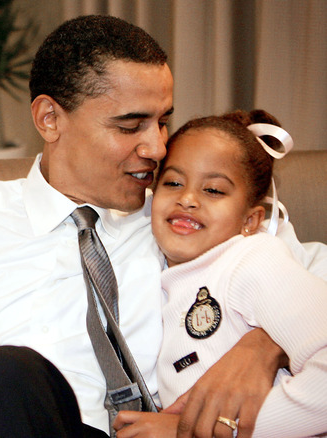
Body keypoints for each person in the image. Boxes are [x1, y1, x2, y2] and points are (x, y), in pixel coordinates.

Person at [0, 15, 327, 438]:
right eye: (130, 125)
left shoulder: (189, 221)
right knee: (2, 373)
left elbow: (307, 284)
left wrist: (266, 343)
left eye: (162, 121)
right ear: (49, 119)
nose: (157, 148)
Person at [113, 110, 327, 438]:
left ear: (251, 220)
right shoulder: (154, 281)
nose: (187, 198)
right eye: (172, 183)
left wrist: (206, 430)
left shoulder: (253, 258)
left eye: (213, 190)